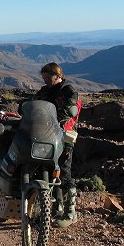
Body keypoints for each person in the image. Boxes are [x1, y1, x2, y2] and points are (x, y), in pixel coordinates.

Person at [36, 62, 80, 228]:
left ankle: (71, 212)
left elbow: (71, 109)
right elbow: (34, 104)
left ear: (57, 76)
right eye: (44, 78)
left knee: (64, 172)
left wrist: (55, 120)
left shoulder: (68, 91)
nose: (46, 80)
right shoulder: (44, 91)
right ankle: (56, 208)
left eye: (48, 77)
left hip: (64, 136)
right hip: (44, 135)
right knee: (47, 170)